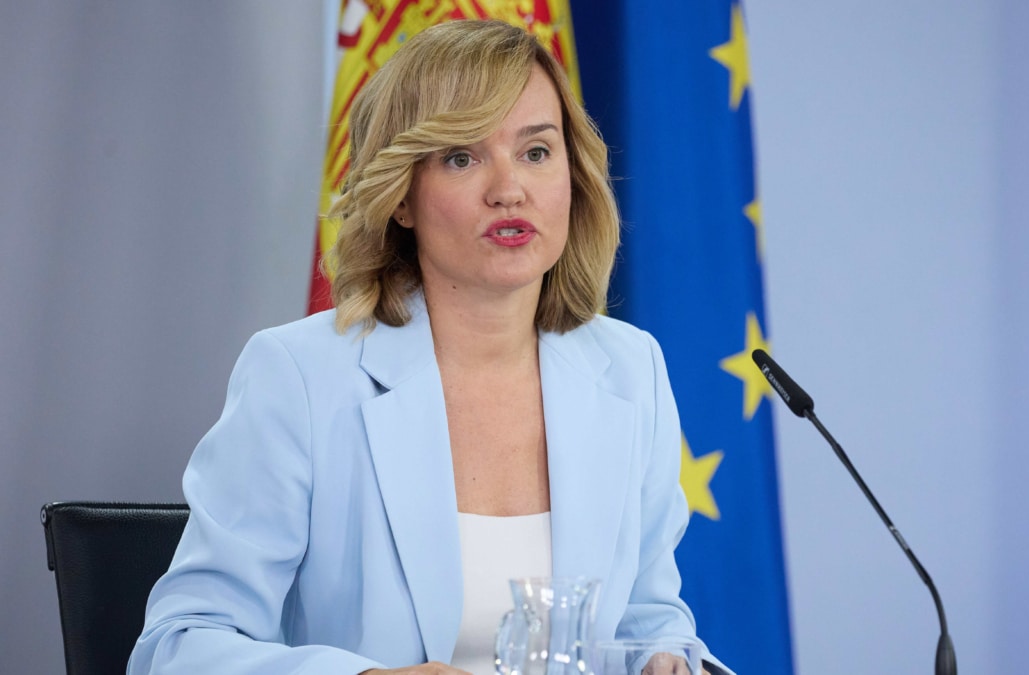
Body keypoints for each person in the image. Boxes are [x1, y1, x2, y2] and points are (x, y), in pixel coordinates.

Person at [128, 19, 731, 675]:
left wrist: (667, 660)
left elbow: (650, 620)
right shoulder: (299, 376)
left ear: (574, 174)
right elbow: (178, 646)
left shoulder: (628, 368)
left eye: (536, 152)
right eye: (461, 157)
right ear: (402, 197)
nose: (509, 188)